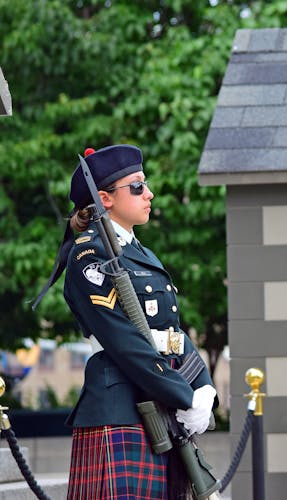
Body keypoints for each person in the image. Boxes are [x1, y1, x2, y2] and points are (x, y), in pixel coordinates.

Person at [33, 145, 217, 499]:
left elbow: (171, 331)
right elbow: (123, 340)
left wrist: (203, 387)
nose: (148, 194)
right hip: (121, 409)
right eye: (136, 187)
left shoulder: (141, 254)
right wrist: (182, 395)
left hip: (161, 407)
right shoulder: (88, 254)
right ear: (105, 198)